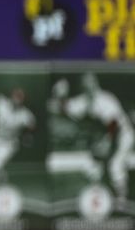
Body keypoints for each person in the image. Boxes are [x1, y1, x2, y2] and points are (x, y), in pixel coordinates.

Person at [53, 72, 134, 204]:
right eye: (85, 84)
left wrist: (107, 140)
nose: (88, 86)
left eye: (91, 83)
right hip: (105, 137)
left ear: (96, 84)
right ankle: (104, 200)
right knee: (93, 169)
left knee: (115, 165)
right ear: (82, 86)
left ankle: (122, 202)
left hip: (123, 135)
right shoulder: (83, 101)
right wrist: (60, 96)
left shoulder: (106, 99)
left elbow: (114, 123)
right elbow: (66, 109)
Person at [0, 88, 36, 196]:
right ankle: (3, 182)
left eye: (20, 97)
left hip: (8, 144)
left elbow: (32, 126)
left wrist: (28, 136)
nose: (17, 98)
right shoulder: (1, 102)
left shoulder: (25, 114)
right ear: (11, 95)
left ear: (23, 100)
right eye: (16, 95)